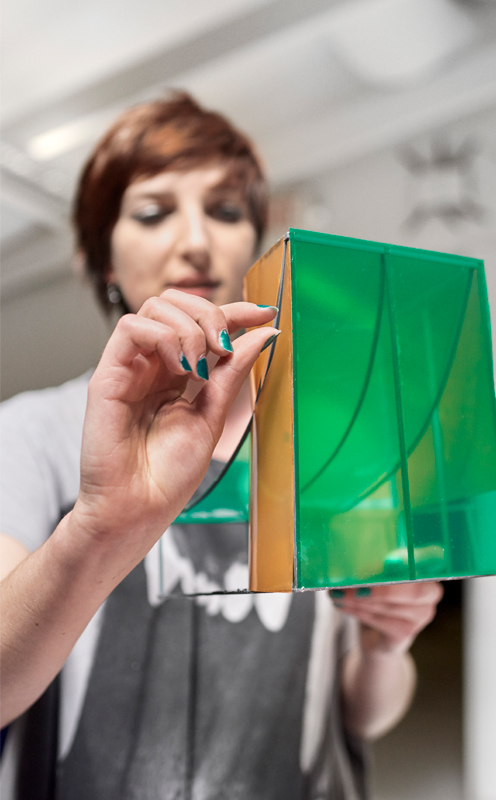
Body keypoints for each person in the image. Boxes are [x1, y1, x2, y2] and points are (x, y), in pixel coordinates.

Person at [0, 92, 442, 799]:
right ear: (100, 258)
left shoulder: (331, 449)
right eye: (153, 212)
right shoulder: (34, 434)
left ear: (254, 246)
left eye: (226, 210)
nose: (197, 240)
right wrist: (98, 527)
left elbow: (359, 712)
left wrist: (387, 646)